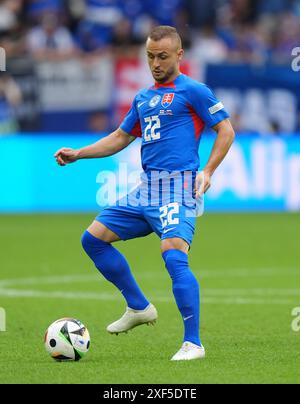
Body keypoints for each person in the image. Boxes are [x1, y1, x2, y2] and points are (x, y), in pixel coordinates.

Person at [55, 26, 235, 361]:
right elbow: (120, 138)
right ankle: (138, 306)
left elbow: (226, 130)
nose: (155, 62)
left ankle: (193, 343)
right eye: (150, 56)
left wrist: (208, 171)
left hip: (178, 186)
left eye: (162, 56)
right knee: (92, 239)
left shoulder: (194, 91)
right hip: (146, 188)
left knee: (173, 255)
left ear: (179, 55)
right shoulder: (143, 98)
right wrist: (79, 153)